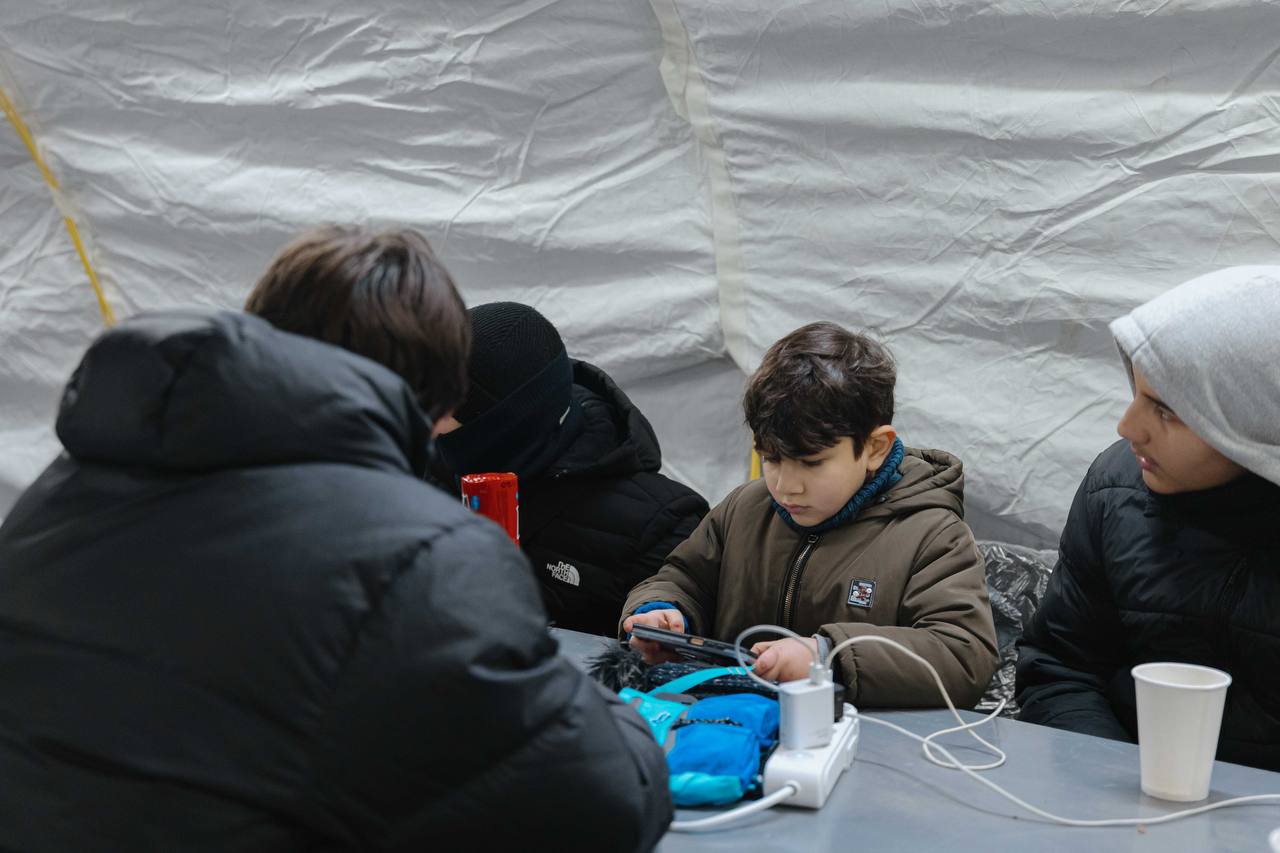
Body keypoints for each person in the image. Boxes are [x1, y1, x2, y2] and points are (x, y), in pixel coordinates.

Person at [0, 227, 671, 850]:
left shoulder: (62, 491)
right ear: (438, 399)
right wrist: (612, 707)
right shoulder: (412, 549)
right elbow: (601, 803)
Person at [621, 322, 999, 708]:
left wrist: (827, 655)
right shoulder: (744, 509)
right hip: (730, 723)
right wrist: (662, 611)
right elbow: (683, 579)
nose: (787, 486)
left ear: (875, 448)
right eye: (771, 458)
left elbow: (962, 654)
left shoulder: (933, 536)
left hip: (862, 739)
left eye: (811, 463)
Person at [1016, 266, 1280, 771]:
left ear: (1254, 423)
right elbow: (1061, 669)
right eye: (1135, 392)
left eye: (1166, 410)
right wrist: (1115, 785)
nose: (1128, 426)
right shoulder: (1116, 491)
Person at [435, 302, 709, 636]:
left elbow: (673, 650)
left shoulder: (659, 524)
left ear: (502, 419)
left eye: (440, 403)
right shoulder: (425, 473)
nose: (421, 416)